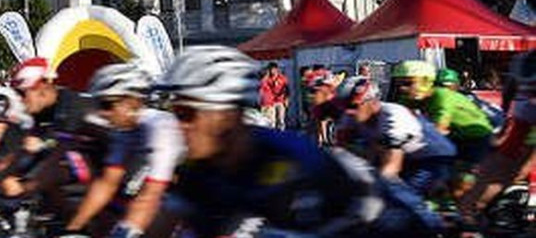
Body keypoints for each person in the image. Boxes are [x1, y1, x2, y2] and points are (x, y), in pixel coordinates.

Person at [157, 46, 440, 238]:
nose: (177, 125)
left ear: (228, 115)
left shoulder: (289, 161)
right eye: (173, 113)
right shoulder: (196, 168)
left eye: (186, 113)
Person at [63, 64, 184, 238]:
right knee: (109, 211)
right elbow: (107, 184)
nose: (101, 113)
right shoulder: (126, 131)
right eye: (99, 104)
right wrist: (72, 229)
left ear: (131, 102)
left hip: (209, 194)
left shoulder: (159, 129)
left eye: (106, 105)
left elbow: (150, 196)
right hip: (174, 187)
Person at [3, 57, 108, 220]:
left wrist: (26, 187)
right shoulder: (42, 111)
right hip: (84, 162)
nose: (20, 101)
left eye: (23, 93)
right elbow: (27, 149)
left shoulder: (72, 107)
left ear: (42, 87)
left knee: (54, 171)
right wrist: (3, 176)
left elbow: (58, 154)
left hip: (112, 167)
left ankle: (72, 225)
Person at [335, 75, 457, 197]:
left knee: (400, 198)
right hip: (406, 156)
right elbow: (340, 152)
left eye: (353, 106)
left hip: (433, 157)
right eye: (343, 106)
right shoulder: (350, 116)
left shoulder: (393, 115)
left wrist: (371, 192)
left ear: (372, 102)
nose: (348, 112)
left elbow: (392, 166)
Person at [459, 51, 536, 221]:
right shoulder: (522, 59)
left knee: (503, 170)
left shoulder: (521, 58)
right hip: (524, 118)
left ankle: (468, 213)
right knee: (509, 171)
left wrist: (506, 119)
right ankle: (470, 213)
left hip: (523, 117)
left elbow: (509, 91)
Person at [392, 61, 492, 166]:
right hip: (453, 134)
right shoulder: (409, 97)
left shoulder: (442, 96)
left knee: (462, 173)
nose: (402, 88)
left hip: (476, 136)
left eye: (408, 83)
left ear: (426, 81)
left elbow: (439, 129)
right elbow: (397, 114)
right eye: (398, 84)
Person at [259, 62, 289, 130]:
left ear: (277, 69)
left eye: (273, 69)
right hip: (271, 102)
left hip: (280, 101)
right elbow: (262, 87)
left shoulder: (282, 78)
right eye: (270, 69)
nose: (272, 71)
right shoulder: (267, 79)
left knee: (281, 119)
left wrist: (287, 99)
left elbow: (287, 89)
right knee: (272, 121)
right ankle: (274, 135)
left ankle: (282, 133)